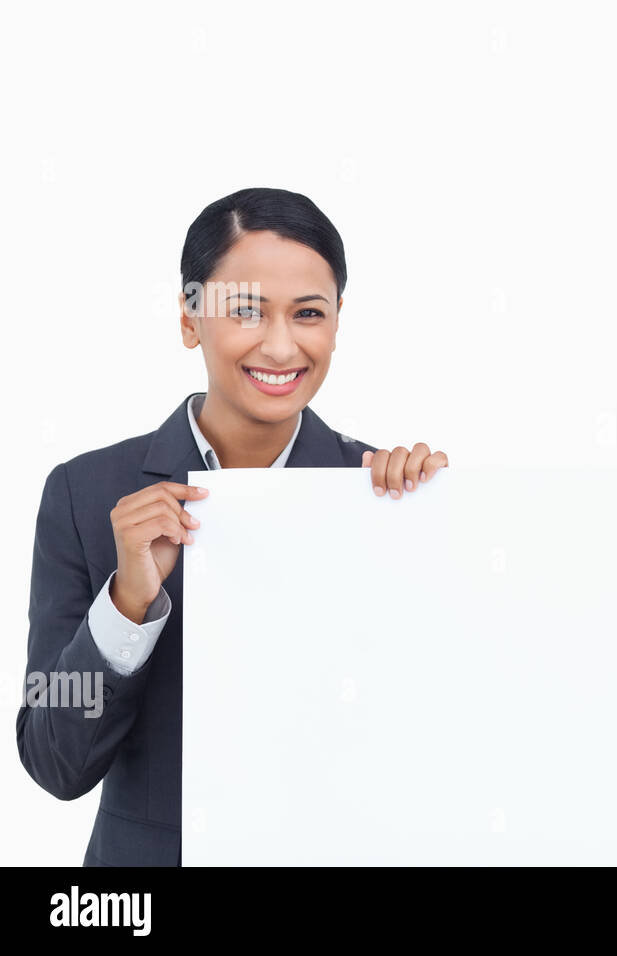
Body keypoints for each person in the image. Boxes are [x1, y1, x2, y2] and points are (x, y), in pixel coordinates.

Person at [16, 187, 448, 866]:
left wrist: (439, 520)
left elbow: (440, 735)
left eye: (309, 313)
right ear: (190, 319)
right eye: (246, 311)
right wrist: (128, 603)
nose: (281, 346)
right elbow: (53, 762)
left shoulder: (381, 496)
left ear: (337, 323)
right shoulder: (86, 493)